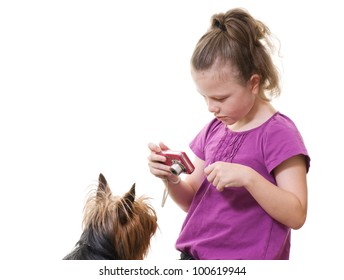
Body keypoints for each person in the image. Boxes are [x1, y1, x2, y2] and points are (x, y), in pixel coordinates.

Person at [147, 8, 310, 260]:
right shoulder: (214, 128)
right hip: (193, 259)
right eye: (205, 97)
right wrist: (171, 178)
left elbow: (297, 214)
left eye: (220, 98)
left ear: (253, 83)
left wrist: (249, 178)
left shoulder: (279, 134)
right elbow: (192, 201)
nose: (211, 108)